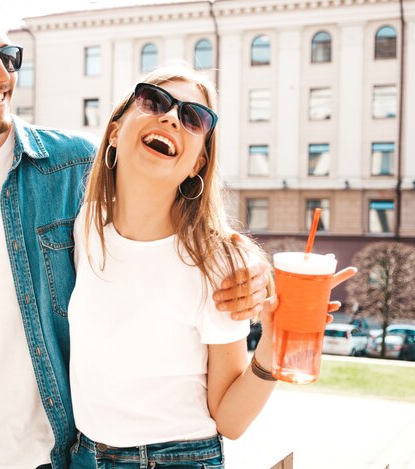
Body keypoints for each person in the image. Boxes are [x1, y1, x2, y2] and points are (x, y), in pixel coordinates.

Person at [0, 2, 271, 468]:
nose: (0, 74)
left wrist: (251, 264)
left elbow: (172, 210)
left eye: (7, 56)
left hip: (58, 458)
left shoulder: (75, 169)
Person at [67, 66, 356, 468]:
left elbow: (230, 420)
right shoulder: (87, 225)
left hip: (177, 459)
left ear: (197, 164)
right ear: (115, 131)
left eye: (193, 118)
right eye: (154, 100)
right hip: (84, 455)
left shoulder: (218, 263)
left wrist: (274, 342)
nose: (170, 118)